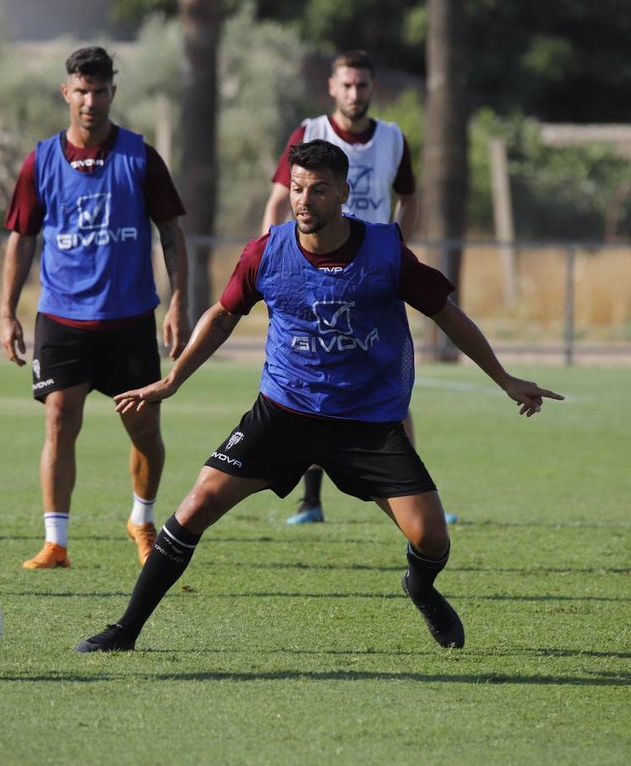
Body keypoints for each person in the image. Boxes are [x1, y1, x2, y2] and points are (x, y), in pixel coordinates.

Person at [74, 140, 563, 653]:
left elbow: (446, 314)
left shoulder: (385, 251)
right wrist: (172, 381)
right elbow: (222, 316)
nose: (304, 201)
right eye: (297, 189)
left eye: (319, 190)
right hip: (283, 415)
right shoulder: (266, 251)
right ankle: (124, 631)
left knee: (432, 537)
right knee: (196, 505)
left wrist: (504, 379)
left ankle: (420, 586)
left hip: (366, 424)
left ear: (344, 193)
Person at [1, 46, 189, 570]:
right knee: (59, 421)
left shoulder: (140, 157)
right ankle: (55, 542)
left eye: (100, 91)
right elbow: (22, 238)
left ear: (112, 93)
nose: (90, 101)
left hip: (129, 320)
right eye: (81, 91)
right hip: (62, 319)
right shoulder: (41, 160)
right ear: (67, 92)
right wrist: (6, 310)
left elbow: (170, 231)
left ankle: (142, 520)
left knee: (144, 430)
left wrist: (178, 300)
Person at [261, 49, 425, 525]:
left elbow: (410, 198)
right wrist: (275, 266)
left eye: (362, 85)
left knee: (392, 382)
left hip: (371, 283)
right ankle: (310, 500)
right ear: (332, 87)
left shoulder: (392, 138)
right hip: (314, 277)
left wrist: (395, 250)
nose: (355, 93)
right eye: (347, 85)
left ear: (373, 88)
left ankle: (415, 491)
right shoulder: (310, 132)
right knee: (314, 379)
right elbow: (277, 201)